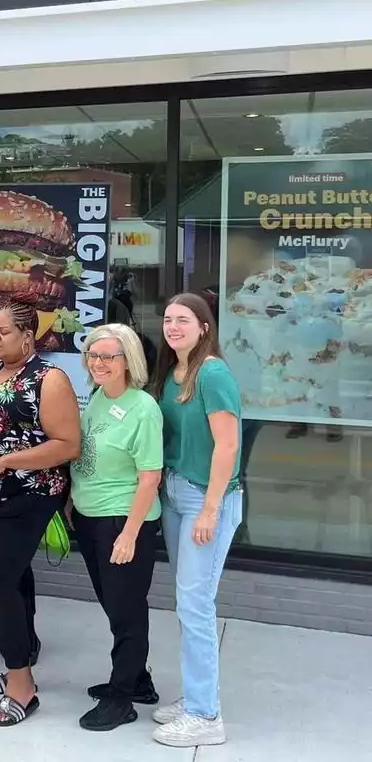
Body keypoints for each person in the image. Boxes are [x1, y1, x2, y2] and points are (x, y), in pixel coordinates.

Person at [0, 298, 80, 727]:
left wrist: (5, 462)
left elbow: (66, 445)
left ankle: (22, 688)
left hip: (28, 494)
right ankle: (15, 667)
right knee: (14, 580)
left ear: (28, 337)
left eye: (4, 332)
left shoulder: (50, 379)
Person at [148, 293, 242, 748]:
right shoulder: (172, 373)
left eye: (183, 319)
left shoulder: (213, 373)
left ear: (204, 326)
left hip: (208, 501)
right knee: (187, 605)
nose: (173, 326)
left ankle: (206, 715)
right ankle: (194, 699)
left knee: (196, 605)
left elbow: (227, 446)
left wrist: (210, 508)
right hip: (175, 493)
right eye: (167, 319)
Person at [70, 323, 164, 732]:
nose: (98, 363)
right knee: (114, 605)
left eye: (108, 356)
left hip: (123, 522)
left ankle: (122, 697)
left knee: (126, 611)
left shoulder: (143, 408)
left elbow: (150, 477)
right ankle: (138, 679)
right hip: (92, 519)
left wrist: (129, 533)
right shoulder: (94, 398)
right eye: (93, 355)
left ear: (129, 361)